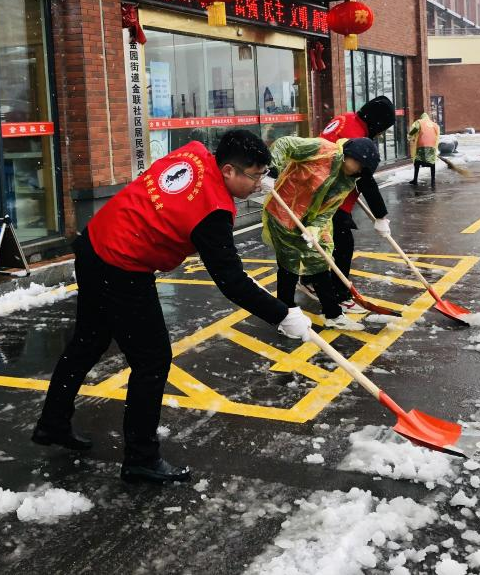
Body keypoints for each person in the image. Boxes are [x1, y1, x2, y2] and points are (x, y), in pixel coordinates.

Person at [33, 130, 311, 485]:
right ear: (228, 171)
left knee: (88, 341)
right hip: (121, 265)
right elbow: (231, 283)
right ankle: (141, 458)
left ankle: (52, 424)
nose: (259, 184)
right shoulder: (213, 213)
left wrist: (257, 183)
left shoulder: (195, 152)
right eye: (254, 176)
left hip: (95, 243)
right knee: (151, 360)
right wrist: (282, 315)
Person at [261, 135, 381, 333]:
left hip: (308, 220)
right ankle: (285, 316)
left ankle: (333, 315)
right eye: (360, 165)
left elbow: (328, 210)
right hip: (283, 211)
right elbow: (285, 144)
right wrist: (271, 172)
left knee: (319, 261)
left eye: (362, 170)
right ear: (352, 155)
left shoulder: (347, 182)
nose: (359, 171)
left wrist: (315, 228)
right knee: (289, 264)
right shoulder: (322, 149)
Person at [316, 96, 395, 315]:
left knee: (323, 244)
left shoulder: (346, 118)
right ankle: (340, 295)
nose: (380, 134)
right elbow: (366, 180)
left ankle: (310, 281)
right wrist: (380, 216)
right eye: (382, 129)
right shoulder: (356, 135)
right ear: (378, 123)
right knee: (342, 245)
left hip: (320, 190)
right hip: (331, 198)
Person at [408, 111, 440, 188]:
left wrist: (410, 135)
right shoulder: (434, 124)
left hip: (421, 144)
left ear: (422, 117)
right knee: (432, 163)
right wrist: (435, 147)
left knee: (417, 161)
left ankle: (415, 180)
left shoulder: (419, 122)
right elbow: (437, 135)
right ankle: (433, 180)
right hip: (432, 145)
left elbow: (415, 129)